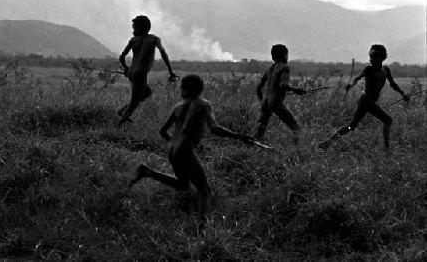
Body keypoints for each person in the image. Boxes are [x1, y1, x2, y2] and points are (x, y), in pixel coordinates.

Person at [129, 74, 254, 219]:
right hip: (185, 150)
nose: (181, 90)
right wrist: (240, 137)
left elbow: (163, 132)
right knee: (204, 190)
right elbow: (215, 129)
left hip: (172, 150)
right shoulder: (203, 104)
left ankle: (147, 172)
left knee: (183, 184)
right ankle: (203, 228)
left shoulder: (178, 107)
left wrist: (176, 144)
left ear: (187, 90)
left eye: (182, 88)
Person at [319, 44, 409, 149]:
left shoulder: (385, 70)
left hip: (367, 102)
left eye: (374, 57)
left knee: (351, 126)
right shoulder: (368, 69)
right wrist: (351, 85)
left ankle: (327, 143)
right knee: (388, 120)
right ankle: (387, 150)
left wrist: (403, 94)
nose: (371, 59)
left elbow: (393, 84)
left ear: (382, 58)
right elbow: (357, 78)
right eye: (370, 56)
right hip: (366, 101)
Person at [118, 15, 178, 126]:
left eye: (134, 28)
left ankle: (122, 111)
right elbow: (163, 52)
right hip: (140, 73)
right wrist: (170, 70)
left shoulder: (133, 40)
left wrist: (126, 69)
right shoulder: (154, 39)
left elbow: (121, 57)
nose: (133, 30)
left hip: (132, 72)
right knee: (135, 102)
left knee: (147, 93)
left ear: (141, 28)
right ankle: (119, 125)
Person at [255, 44, 306, 143]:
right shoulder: (285, 67)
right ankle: (297, 148)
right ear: (284, 55)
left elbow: (259, 87)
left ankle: (253, 146)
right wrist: (297, 90)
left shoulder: (269, 69)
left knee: (259, 132)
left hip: (265, 102)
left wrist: (262, 100)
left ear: (273, 57)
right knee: (295, 127)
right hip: (275, 103)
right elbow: (283, 85)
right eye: (287, 54)